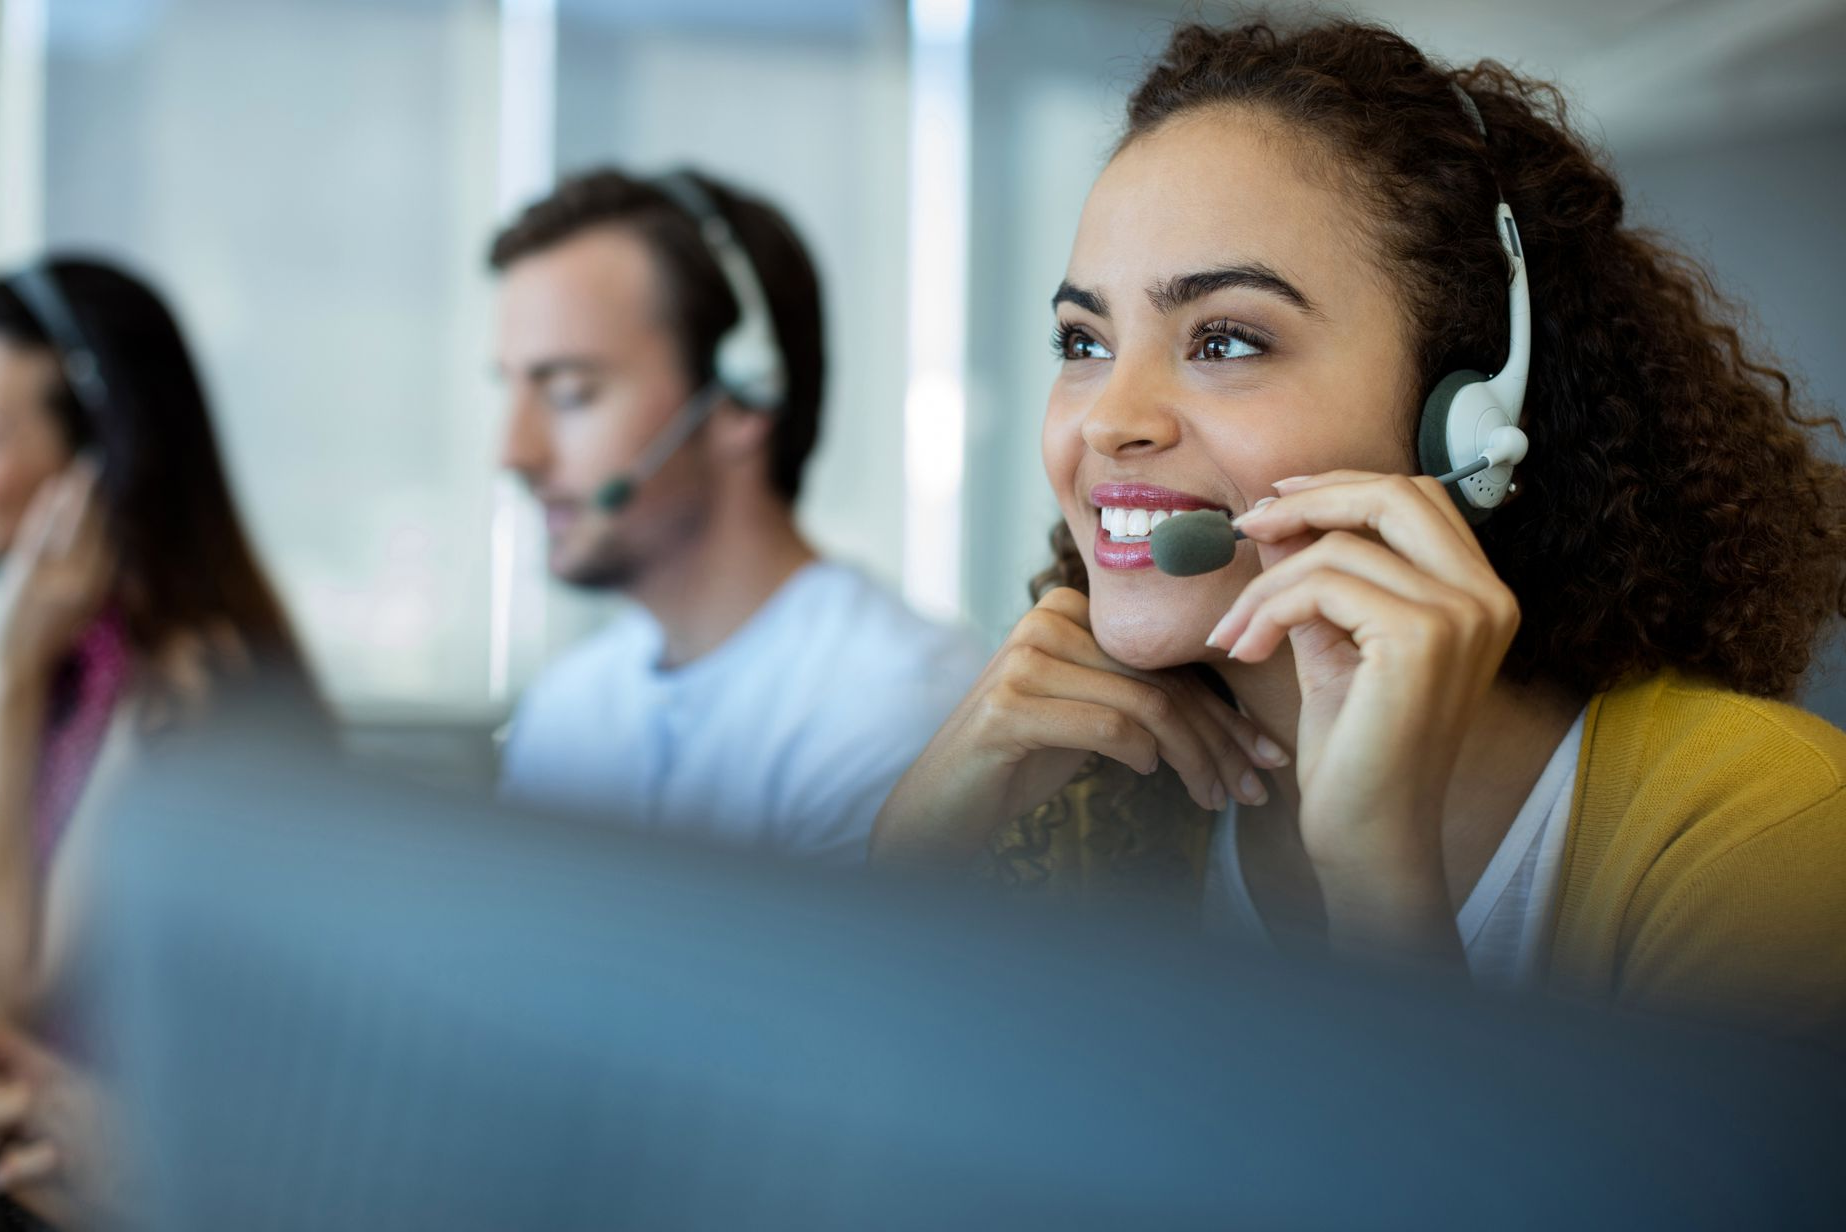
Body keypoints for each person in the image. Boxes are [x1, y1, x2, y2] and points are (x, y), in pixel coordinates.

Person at [874, 17, 1846, 1041]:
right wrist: (909, 859)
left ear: (1469, 412)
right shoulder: (1091, 796)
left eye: (1227, 339)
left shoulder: (1766, 836)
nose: (1111, 418)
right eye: (1084, 339)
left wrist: (1381, 881)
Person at [492, 167, 984, 862]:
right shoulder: (568, 709)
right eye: (510, 390)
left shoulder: (899, 709)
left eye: (571, 393)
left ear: (741, 401)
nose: (514, 452)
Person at [0, 256, 326, 1030]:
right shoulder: (79, 656)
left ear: (101, 460)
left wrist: (8, 679)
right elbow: (17, 910)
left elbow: (14, 999)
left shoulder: (181, 686)